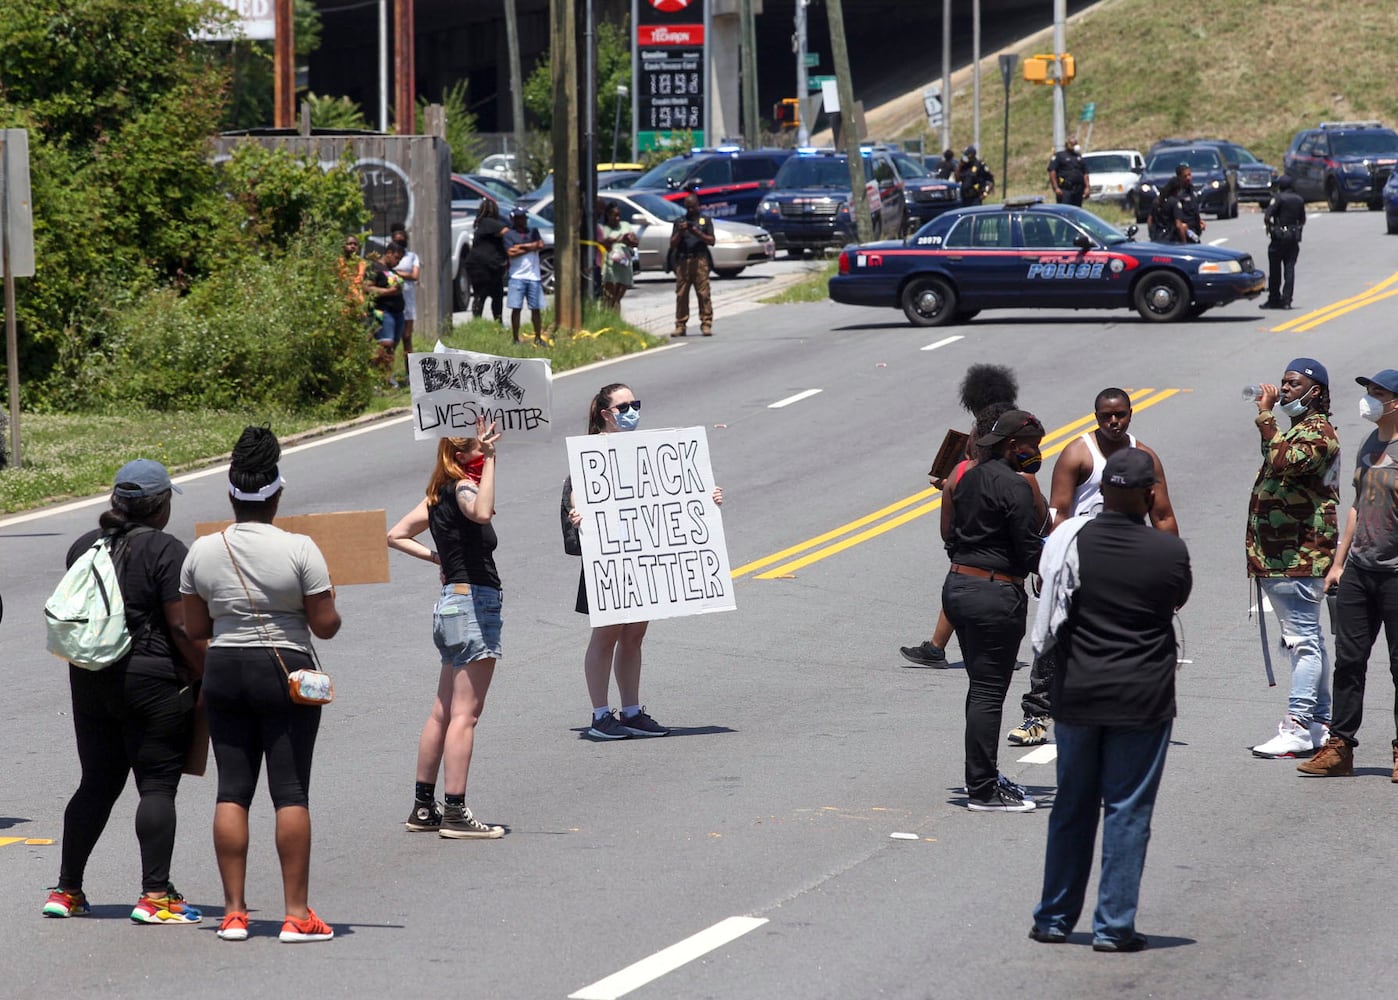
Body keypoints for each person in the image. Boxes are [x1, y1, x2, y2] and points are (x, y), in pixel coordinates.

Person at [180, 426, 343, 943]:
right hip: (286, 670)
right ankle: (296, 914)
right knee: (290, 791)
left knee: (233, 789)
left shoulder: (202, 551)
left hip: (225, 669)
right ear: (276, 494)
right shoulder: (301, 548)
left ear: (232, 494)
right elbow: (325, 625)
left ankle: (233, 913)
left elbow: (197, 629)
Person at [1028, 448, 1191, 953]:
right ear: (1148, 496)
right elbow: (1174, 600)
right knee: (1127, 810)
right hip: (1142, 699)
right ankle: (1114, 926)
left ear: (1102, 494)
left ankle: (1053, 919)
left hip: (1078, 693)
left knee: (1072, 806)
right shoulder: (1169, 553)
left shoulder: (1070, 542)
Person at [42, 460, 206, 924]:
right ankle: (155, 896)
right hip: (151, 681)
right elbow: (180, 625)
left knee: (96, 782)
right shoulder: (166, 551)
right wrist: (204, 674)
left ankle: (66, 889)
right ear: (159, 505)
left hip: (90, 678)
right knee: (155, 785)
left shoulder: (83, 547)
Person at [1006, 388, 1180, 747]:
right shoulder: (1078, 453)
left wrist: (1171, 567)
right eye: (1105, 416)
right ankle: (1036, 715)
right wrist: (1049, 563)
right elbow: (1059, 512)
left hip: (1128, 562)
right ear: (1096, 416)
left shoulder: (1144, 457)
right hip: (1080, 559)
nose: (1113, 422)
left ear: (1131, 414)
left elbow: (1162, 515)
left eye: (1119, 415)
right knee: (1057, 634)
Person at [567, 383, 723, 740]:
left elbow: (676, 491)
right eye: (624, 407)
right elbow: (577, 492)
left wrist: (706, 496)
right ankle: (600, 716)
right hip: (609, 557)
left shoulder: (648, 449)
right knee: (606, 634)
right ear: (606, 414)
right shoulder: (590, 452)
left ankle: (632, 711)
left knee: (635, 634)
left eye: (635, 404)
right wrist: (578, 513)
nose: (632, 411)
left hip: (642, 556)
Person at [387, 417, 506, 839]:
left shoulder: (436, 494)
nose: (487, 449)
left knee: (442, 710)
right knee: (465, 715)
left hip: (450, 605)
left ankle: (424, 806)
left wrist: (438, 559)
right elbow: (482, 512)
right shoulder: (463, 488)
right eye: (480, 446)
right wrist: (490, 462)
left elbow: (396, 534)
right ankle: (455, 812)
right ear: (461, 456)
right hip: (474, 604)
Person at [941, 408, 1045, 811]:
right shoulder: (1015, 486)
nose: (1036, 452)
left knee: (979, 686)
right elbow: (1028, 547)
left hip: (959, 586)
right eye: (1033, 445)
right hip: (994, 593)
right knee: (988, 690)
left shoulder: (967, 477)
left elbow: (950, 534)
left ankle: (981, 776)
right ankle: (983, 790)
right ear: (1013, 445)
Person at [1300, 368, 1398, 778]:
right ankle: (1340, 747)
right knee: (1349, 660)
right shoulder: (1368, 443)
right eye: (1369, 390)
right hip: (1360, 569)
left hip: (1396, 574)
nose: (1369, 398)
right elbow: (1356, 505)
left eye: (1378, 392)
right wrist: (1339, 563)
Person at [901, 363, 1026, 668]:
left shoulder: (983, 433)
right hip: (1003, 513)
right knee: (997, 579)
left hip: (981, 514)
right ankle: (939, 646)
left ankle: (942, 647)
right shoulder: (1018, 429)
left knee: (968, 576)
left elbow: (971, 472)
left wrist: (948, 485)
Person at [1246, 359, 1339, 758]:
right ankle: (1319, 722)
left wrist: (1265, 416)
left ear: (1313, 391)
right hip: (1282, 557)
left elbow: (1283, 460)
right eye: (1282, 383)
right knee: (1310, 641)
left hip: (1298, 556)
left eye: (1292, 383)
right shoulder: (1300, 430)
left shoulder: (1319, 434)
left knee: (1303, 642)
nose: (1283, 389)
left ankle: (1298, 725)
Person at [670, 192, 716, 337]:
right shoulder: (680, 222)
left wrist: (696, 232)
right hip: (683, 261)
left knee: (703, 293)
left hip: (700, 260)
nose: (690, 210)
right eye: (688, 207)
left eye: (693, 207)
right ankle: (680, 325)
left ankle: (706, 323)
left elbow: (711, 241)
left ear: (698, 206)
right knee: (682, 294)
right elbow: (672, 244)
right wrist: (681, 232)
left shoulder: (704, 221)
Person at [1261, 175, 1306, 310]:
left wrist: (1271, 228)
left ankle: (1274, 298)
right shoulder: (1299, 199)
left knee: (1275, 270)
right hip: (1293, 238)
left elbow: (1267, 216)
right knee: (1289, 269)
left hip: (1279, 238)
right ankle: (1287, 300)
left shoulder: (1279, 198)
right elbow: (1302, 220)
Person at [504, 206, 547, 345]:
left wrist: (522, 246)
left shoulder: (533, 232)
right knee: (516, 308)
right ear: (514, 219)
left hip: (534, 276)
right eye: (520, 218)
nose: (523, 220)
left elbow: (540, 245)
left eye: (524, 217)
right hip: (517, 276)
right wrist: (530, 246)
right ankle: (515, 338)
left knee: (536, 308)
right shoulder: (509, 234)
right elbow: (511, 252)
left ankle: (538, 337)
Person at [367, 242, 406, 386]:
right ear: (388, 253)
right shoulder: (374, 267)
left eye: (400, 259)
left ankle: (387, 377)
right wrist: (388, 292)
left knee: (392, 347)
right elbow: (367, 288)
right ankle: (372, 373)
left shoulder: (391, 270)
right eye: (396, 258)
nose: (398, 261)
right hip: (384, 311)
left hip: (398, 312)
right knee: (385, 343)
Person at [466, 198, 510, 323]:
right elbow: (506, 232)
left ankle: (485, 321)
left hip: (484, 266)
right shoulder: (489, 222)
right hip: (485, 267)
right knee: (484, 295)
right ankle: (488, 321)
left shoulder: (481, 223)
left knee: (491, 295)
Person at [598, 201, 639, 313]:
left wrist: (630, 240)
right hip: (609, 265)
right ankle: (608, 318)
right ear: (608, 215)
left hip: (624, 266)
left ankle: (615, 318)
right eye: (614, 215)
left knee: (617, 298)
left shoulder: (625, 225)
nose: (617, 218)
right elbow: (604, 243)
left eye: (619, 215)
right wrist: (618, 239)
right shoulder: (603, 228)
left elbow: (636, 242)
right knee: (609, 297)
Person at [390, 226, 421, 374]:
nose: (400, 244)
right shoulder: (390, 255)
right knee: (391, 340)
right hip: (392, 300)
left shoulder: (411, 256)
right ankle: (387, 373)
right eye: (397, 242)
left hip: (407, 300)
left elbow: (415, 276)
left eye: (402, 242)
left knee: (407, 337)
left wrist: (397, 273)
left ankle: (411, 373)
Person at [1048, 141, 1090, 206]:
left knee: (1076, 210)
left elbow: (1085, 173)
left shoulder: (1079, 157)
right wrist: (1056, 188)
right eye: (1073, 144)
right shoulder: (1059, 156)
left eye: (1076, 144)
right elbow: (1052, 171)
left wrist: (1087, 187)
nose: (1076, 146)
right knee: (1065, 210)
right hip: (1065, 190)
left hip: (1078, 190)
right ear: (1068, 145)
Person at [1171, 163, 1204, 242]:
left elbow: (1194, 211)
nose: (1188, 178)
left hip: (1195, 230)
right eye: (1185, 176)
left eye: (1189, 175)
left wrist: (1199, 222)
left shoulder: (1192, 190)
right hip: (1185, 232)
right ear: (1179, 177)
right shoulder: (1178, 194)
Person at [1146, 177, 1183, 243]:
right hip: (1170, 238)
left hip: (1156, 237)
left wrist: (1151, 234)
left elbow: (1149, 221)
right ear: (1177, 190)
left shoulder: (1156, 201)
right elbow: (1178, 225)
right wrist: (1184, 241)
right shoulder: (1174, 203)